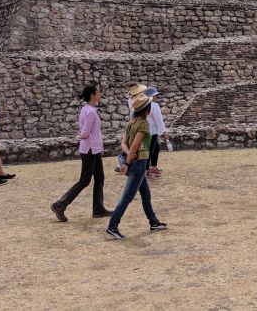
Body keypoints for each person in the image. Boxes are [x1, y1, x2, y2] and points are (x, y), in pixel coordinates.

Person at [106, 93, 168, 239]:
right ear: (146, 110)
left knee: (146, 194)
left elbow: (124, 143)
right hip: (138, 164)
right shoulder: (143, 124)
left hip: (135, 161)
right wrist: (129, 160)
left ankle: (153, 222)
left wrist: (128, 156)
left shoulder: (131, 123)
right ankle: (112, 226)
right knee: (127, 197)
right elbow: (135, 146)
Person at [50, 84, 112, 221]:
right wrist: (90, 137)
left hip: (93, 149)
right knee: (85, 180)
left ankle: (98, 208)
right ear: (92, 95)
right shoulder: (90, 112)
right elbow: (84, 133)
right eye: (98, 92)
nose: (100, 94)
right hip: (90, 149)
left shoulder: (87, 109)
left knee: (99, 178)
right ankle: (61, 204)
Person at [144, 86, 169, 179]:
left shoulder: (144, 105)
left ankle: (153, 167)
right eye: (155, 95)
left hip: (145, 132)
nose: (157, 97)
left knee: (155, 148)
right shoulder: (154, 106)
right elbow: (159, 120)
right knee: (149, 151)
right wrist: (164, 132)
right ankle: (146, 171)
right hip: (152, 132)